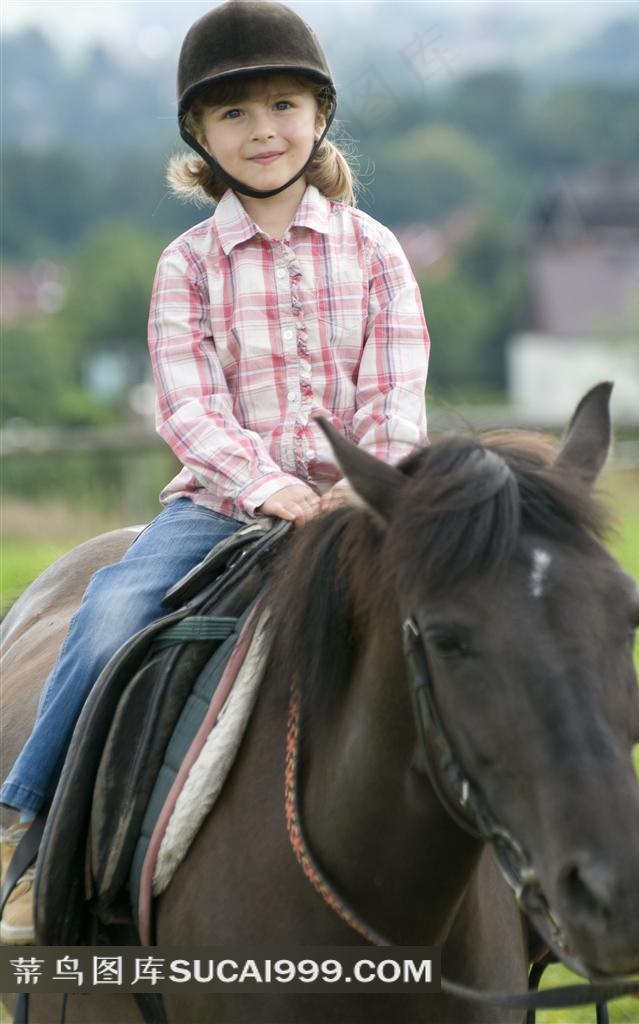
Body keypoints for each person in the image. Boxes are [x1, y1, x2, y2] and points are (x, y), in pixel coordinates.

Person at [0, 0, 429, 944]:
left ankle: (538, 880)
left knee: (488, 617)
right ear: (199, 134)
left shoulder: (378, 252)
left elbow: (396, 399)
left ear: (320, 115)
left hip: (361, 503)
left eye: (282, 105)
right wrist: (268, 488)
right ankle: (27, 838)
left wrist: (359, 485)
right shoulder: (187, 266)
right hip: (223, 508)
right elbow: (189, 409)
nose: (262, 130)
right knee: (111, 615)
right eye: (233, 114)